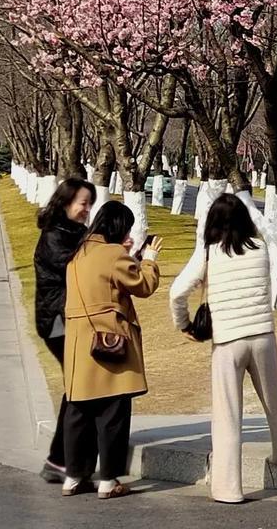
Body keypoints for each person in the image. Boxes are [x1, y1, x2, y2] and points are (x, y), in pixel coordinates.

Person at [169, 193, 277, 503]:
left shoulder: (208, 253)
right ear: (244, 219)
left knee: (227, 414)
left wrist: (184, 325)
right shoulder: (261, 249)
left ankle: (229, 488)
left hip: (228, 342)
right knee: (273, 397)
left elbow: (177, 292)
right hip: (262, 335)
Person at [61, 201, 161, 499]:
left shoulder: (78, 252)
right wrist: (150, 259)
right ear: (119, 227)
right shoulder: (113, 254)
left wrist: (131, 255)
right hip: (108, 339)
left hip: (79, 342)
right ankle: (108, 480)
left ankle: (73, 477)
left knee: (78, 411)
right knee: (112, 411)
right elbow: (142, 285)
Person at [33, 177, 95, 484]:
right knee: (79, 391)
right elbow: (77, 271)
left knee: (78, 390)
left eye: (89, 204)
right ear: (66, 202)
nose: (87, 209)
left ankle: (58, 461)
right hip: (58, 321)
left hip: (71, 319)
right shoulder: (56, 235)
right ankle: (61, 461)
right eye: (84, 203)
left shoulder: (77, 232)